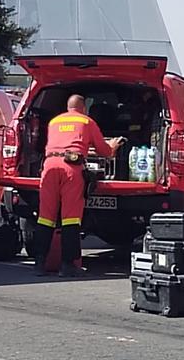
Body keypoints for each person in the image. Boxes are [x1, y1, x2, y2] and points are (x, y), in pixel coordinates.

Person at [31, 95, 124, 277]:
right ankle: (67, 265)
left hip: (49, 167)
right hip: (71, 169)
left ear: (68, 107)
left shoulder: (54, 121)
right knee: (70, 218)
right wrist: (112, 146)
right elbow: (103, 151)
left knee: (45, 218)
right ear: (83, 107)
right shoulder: (86, 121)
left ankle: (39, 263)